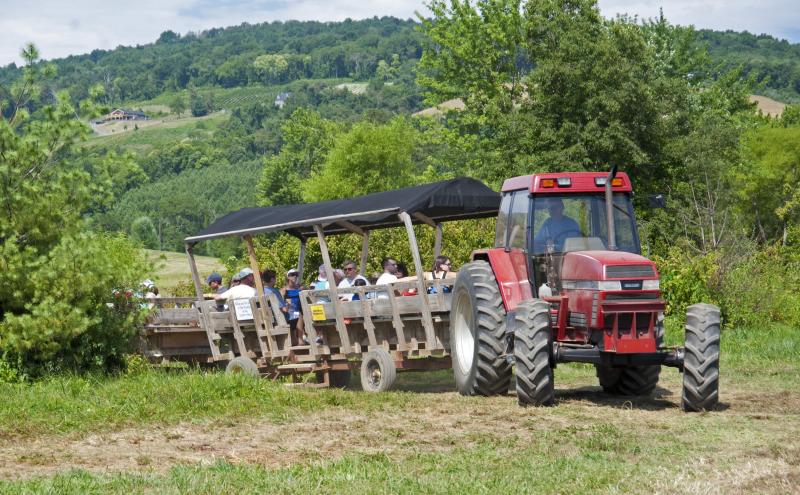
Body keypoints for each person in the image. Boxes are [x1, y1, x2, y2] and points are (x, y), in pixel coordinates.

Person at [283, 268, 304, 345]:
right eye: (292, 275)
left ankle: (300, 338)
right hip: (288, 312)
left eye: (296, 275)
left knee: (299, 314)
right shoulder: (284, 290)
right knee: (297, 314)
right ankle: (296, 339)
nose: (295, 276)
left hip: (298, 311)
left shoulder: (300, 288)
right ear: (288, 277)